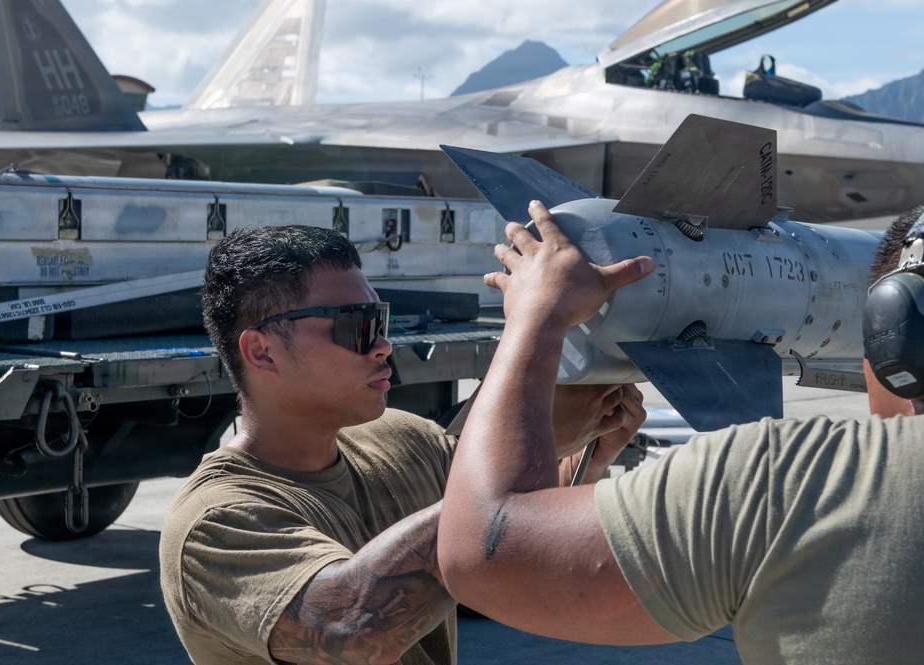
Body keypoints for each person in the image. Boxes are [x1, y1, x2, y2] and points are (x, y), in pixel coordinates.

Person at [437, 202, 924, 663]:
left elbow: (484, 553)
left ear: (893, 330)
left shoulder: (795, 483)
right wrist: (587, 471)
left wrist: (538, 317)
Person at [158, 223, 646, 665]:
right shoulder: (214, 520)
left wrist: (583, 458)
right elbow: (353, 629)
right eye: (356, 326)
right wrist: (536, 319)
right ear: (261, 351)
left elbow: (505, 531)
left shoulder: (403, 439)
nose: (382, 345)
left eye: (381, 319)